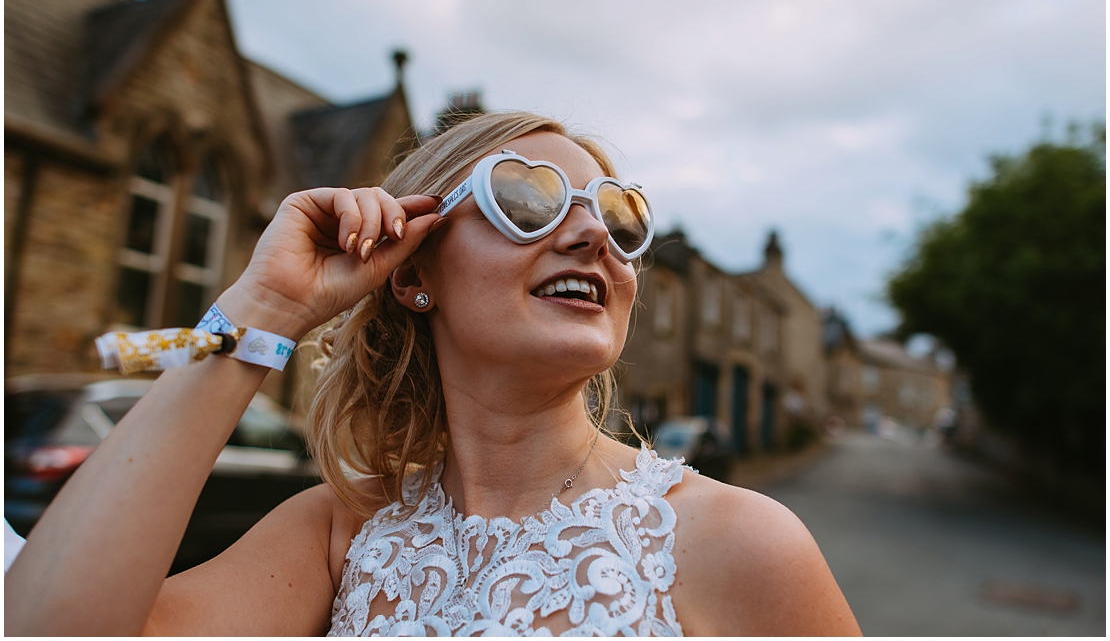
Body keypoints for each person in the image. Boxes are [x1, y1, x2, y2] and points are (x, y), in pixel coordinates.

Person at [5, 112, 860, 636]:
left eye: (616, 216)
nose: (591, 234)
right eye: (527, 197)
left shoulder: (744, 545)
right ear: (412, 270)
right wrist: (263, 307)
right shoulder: (340, 535)